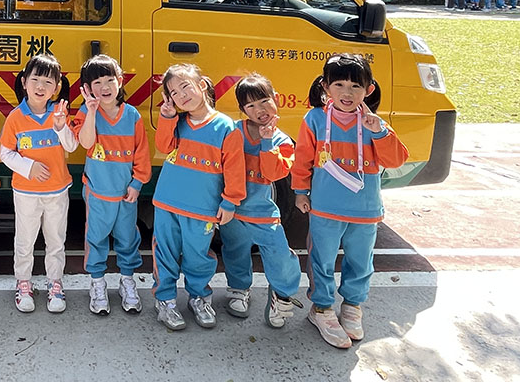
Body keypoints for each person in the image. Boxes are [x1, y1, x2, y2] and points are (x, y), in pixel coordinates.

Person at [291, 53, 409, 349]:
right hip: (324, 208)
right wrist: (300, 191)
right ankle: (321, 309)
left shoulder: (374, 123)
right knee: (321, 260)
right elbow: (303, 158)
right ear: (325, 86)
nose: (347, 92)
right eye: (339, 84)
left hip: (365, 210)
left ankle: (353, 306)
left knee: (360, 260)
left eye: (356, 86)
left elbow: (396, 160)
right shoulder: (315, 119)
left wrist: (379, 131)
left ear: (369, 89)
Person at [151, 63, 245, 331]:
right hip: (167, 202)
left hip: (202, 208)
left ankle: (199, 297)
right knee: (165, 254)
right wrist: (167, 117)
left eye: (185, 87)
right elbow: (163, 146)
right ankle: (165, 300)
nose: (181, 96)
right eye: (174, 93)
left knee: (198, 256)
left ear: (202, 85)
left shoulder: (226, 127)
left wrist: (230, 201)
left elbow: (234, 169)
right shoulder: (177, 123)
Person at [219, 74, 303, 328]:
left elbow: (274, 173)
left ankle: (281, 294)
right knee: (235, 250)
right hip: (232, 210)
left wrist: (267, 142)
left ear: (276, 99)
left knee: (279, 253)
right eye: (251, 105)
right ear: (243, 109)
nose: (260, 110)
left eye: (264, 101)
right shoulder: (233, 131)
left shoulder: (282, 141)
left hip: (262, 211)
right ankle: (239, 289)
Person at [71, 54, 151, 315]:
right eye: (96, 83)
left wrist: (137, 182)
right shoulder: (87, 112)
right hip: (97, 193)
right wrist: (91, 110)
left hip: (125, 193)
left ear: (120, 81)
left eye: (109, 80)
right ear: (87, 88)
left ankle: (127, 280)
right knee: (96, 238)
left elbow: (141, 153)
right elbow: (85, 142)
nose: (104, 87)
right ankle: (97, 283)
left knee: (128, 238)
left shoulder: (132, 115)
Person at [0, 53, 77, 313]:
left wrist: (61, 126)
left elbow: (71, 146)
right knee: (25, 241)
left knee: (56, 240)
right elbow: (5, 153)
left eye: (48, 82)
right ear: (24, 82)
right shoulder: (15, 117)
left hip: (57, 191)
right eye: (35, 80)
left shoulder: (59, 113)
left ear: (57, 87)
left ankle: (55, 283)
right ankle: (23, 283)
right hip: (26, 192)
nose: (41, 86)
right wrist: (28, 167)